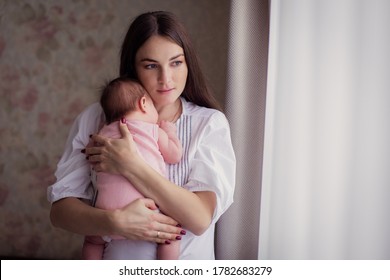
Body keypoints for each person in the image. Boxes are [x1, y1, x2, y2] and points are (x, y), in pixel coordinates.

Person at [47, 10, 236, 259]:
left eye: (176, 62)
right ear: (133, 68)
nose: (166, 79)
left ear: (188, 62)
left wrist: (131, 164)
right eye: (150, 65)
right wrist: (115, 222)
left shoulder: (208, 124)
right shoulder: (95, 118)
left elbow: (200, 219)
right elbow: (60, 212)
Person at [82, 77, 182, 260]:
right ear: (144, 103)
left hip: (106, 213)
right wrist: (169, 131)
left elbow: (89, 154)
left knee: (92, 241)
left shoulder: (102, 135)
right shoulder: (152, 130)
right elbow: (174, 155)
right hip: (147, 211)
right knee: (171, 235)